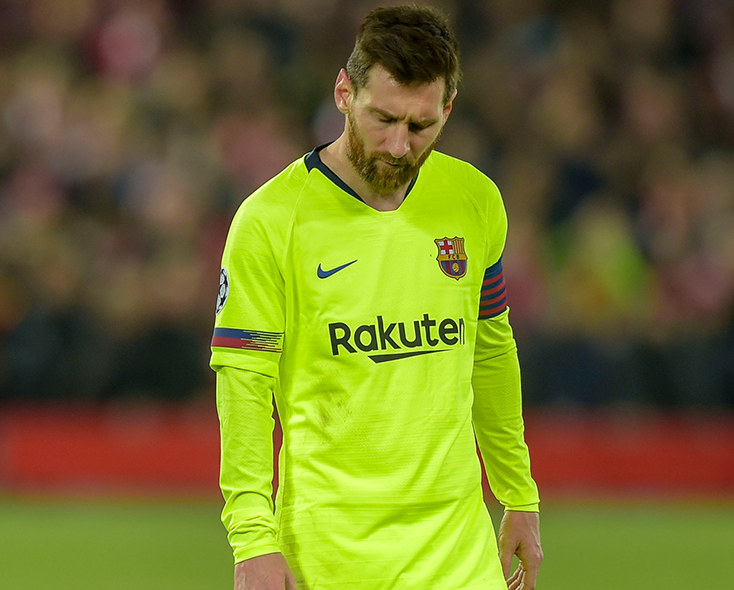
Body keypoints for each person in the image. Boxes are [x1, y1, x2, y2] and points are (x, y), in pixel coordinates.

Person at [211, 6, 542, 590]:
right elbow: (243, 386)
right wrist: (253, 539)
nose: (397, 145)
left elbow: (491, 353)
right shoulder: (270, 222)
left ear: (449, 108)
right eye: (382, 118)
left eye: (421, 127)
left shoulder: (474, 200)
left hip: (457, 551)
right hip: (329, 554)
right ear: (344, 92)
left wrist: (518, 493)